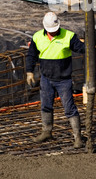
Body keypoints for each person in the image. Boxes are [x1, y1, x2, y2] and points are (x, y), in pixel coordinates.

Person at [26, 11, 85, 148]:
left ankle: (78, 137)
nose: (53, 32)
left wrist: (90, 45)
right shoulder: (37, 37)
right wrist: (29, 72)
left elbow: (80, 48)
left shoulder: (68, 36)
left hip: (63, 80)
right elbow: (31, 55)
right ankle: (47, 131)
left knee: (69, 108)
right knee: (45, 105)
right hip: (46, 78)